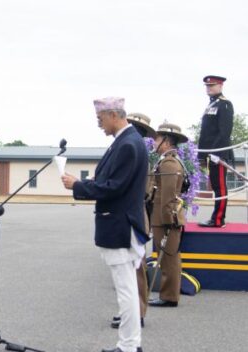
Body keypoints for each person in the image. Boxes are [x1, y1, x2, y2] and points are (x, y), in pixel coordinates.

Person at [62, 97, 148, 352]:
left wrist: (78, 185)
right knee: (127, 289)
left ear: (113, 115)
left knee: (126, 291)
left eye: (100, 119)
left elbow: (114, 187)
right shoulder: (126, 142)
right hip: (121, 224)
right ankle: (131, 344)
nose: (99, 124)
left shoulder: (128, 144)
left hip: (120, 226)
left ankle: (129, 346)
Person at [111, 113, 156, 329]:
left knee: (136, 268)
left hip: (135, 215)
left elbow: (145, 192)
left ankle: (137, 313)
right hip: (128, 215)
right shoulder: (129, 150)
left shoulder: (136, 152)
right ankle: (129, 311)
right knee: (128, 269)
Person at [148, 123, 188, 308]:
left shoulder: (169, 162)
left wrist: (167, 221)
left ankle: (169, 297)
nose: (154, 142)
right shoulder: (166, 160)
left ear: (166, 141)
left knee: (169, 258)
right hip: (163, 217)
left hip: (166, 218)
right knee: (166, 257)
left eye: (157, 139)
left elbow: (168, 196)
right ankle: (169, 295)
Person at [198, 75, 234, 228]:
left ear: (220, 86)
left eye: (212, 85)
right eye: (207, 86)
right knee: (215, 185)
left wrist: (216, 153)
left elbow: (224, 132)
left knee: (220, 187)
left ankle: (218, 220)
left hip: (218, 154)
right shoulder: (211, 105)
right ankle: (216, 218)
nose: (209, 88)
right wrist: (201, 155)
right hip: (209, 154)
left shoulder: (225, 105)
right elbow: (205, 133)